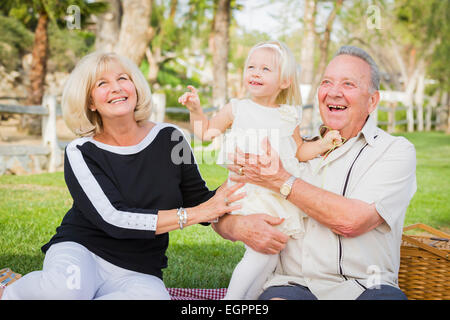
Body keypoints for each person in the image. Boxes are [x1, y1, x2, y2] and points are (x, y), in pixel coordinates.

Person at [0, 51, 244, 300]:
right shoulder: (81, 151)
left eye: (123, 79)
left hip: (139, 268)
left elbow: (200, 201)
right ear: (91, 103)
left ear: (135, 88)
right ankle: (10, 289)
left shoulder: (171, 138)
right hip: (82, 250)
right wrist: (196, 214)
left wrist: (243, 177)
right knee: (66, 291)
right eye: (102, 83)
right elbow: (114, 217)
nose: (116, 88)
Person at [214, 45, 417, 300]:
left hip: (365, 287)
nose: (334, 92)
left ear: (372, 101)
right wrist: (237, 225)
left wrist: (280, 180)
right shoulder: (290, 146)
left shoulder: (393, 151)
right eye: (326, 82)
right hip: (292, 286)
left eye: (348, 84)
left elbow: (351, 221)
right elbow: (218, 209)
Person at [178, 40, 342, 299]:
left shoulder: (289, 114)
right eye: (251, 67)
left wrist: (323, 144)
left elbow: (298, 152)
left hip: (278, 193)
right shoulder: (238, 108)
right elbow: (205, 132)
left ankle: (249, 301)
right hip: (250, 191)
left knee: (269, 253)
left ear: (285, 81)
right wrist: (196, 110)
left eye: (266, 69)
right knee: (262, 251)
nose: (255, 72)